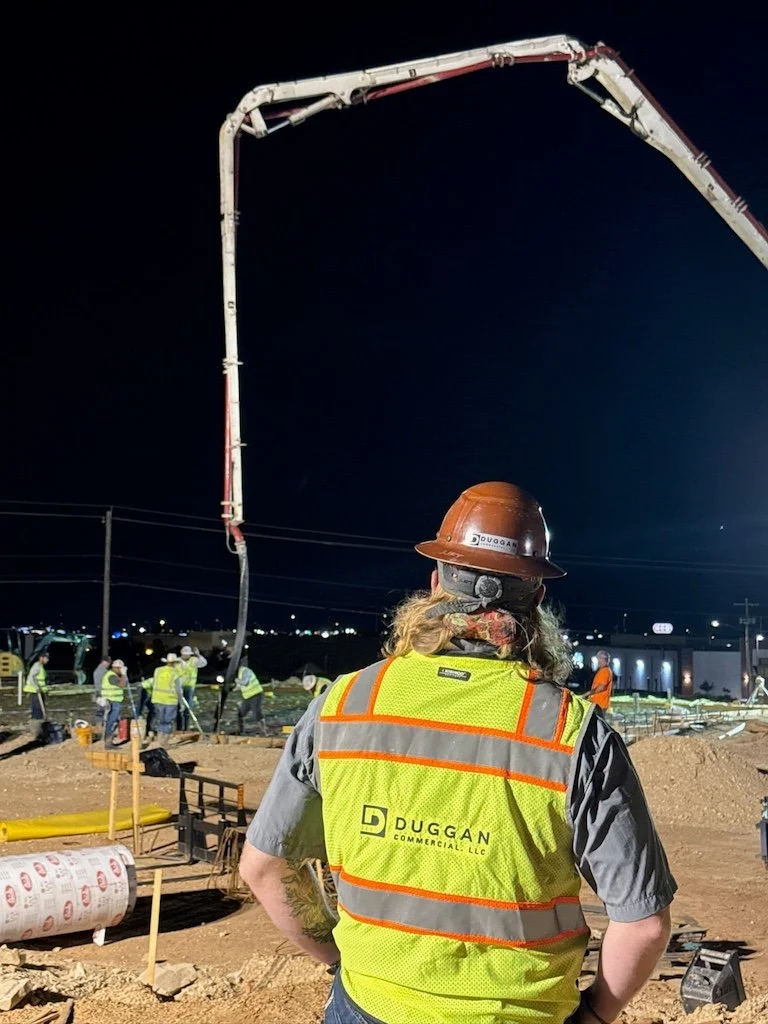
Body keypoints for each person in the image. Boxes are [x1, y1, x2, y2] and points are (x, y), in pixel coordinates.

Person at [240, 481, 676, 1024]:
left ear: (434, 583)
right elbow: (644, 923)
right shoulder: (573, 733)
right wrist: (595, 1014)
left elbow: (264, 867)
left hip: (366, 1007)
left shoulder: (343, 705)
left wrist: (339, 959)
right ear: (537, 596)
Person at [150, 653, 184, 747]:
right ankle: (164, 742)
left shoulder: (158, 670)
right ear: (175, 663)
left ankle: (159, 740)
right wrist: (181, 703)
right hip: (170, 700)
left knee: (160, 720)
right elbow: (178, 689)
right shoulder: (175, 673)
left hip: (157, 699)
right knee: (168, 721)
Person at [177, 645, 208, 731]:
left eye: (188, 654)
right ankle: (179, 728)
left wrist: (198, 655)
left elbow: (204, 663)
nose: (187, 656)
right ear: (182, 654)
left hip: (189, 687)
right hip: (178, 688)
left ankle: (186, 728)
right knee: (178, 708)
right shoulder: (177, 661)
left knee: (187, 709)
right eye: (185, 654)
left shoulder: (193, 660)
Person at [236, 658, 266, 735]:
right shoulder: (239, 673)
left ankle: (263, 732)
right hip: (247, 697)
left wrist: (236, 680)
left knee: (256, 713)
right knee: (241, 714)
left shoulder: (245, 671)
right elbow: (239, 686)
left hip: (256, 694)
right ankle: (241, 731)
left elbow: (245, 682)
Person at [101, 659, 127, 748]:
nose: (121, 670)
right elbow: (122, 685)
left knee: (113, 721)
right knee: (111, 722)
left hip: (114, 701)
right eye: (120, 668)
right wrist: (123, 674)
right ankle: (108, 743)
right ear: (116, 668)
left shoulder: (113, 675)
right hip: (112, 702)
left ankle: (109, 741)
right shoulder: (112, 676)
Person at [23, 653, 50, 736]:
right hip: (35, 691)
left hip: (39, 691)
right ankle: (36, 728)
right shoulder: (37, 666)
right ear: (41, 658)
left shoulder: (41, 667)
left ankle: (41, 726)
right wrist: (35, 687)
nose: (47, 660)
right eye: (46, 658)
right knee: (37, 709)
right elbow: (31, 677)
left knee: (40, 709)